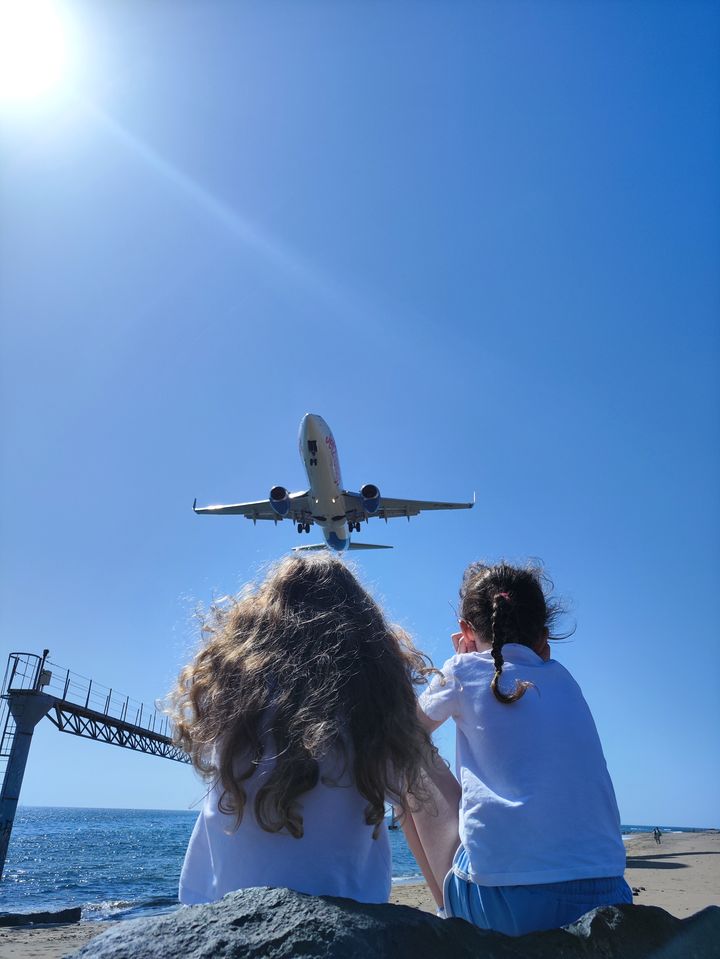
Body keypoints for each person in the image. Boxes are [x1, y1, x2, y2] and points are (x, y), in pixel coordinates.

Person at [168, 553, 436, 905]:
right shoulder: (370, 699)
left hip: (229, 899)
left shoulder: (235, 685)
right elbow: (395, 782)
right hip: (352, 899)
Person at [404, 561, 632, 936]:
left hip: (505, 907)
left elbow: (403, 732)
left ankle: (451, 917)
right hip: (610, 894)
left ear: (465, 629)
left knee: (407, 752)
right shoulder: (566, 680)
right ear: (544, 638)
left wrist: (461, 661)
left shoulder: (461, 671)